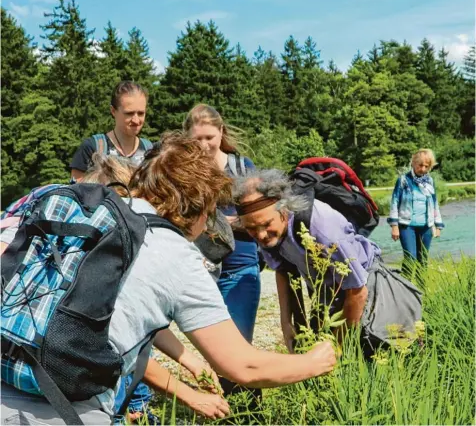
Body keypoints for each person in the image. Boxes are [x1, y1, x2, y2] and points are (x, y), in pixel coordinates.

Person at [1, 135, 337, 425]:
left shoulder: (95, 214)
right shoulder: (176, 255)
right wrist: (315, 361)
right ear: (200, 207)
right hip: (65, 409)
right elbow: (243, 365)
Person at [0, 154, 227, 424]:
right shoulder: (95, 246)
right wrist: (189, 395)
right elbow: (94, 336)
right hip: (53, 393)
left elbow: (136, 315)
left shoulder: (54, 218)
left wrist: (189, 359)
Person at [232, 169, 422, 355]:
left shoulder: (321, 227)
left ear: (283, 211)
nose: (261, 235)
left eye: (266, 225)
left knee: (378, 344)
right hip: (325, 290)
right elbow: (284, 272)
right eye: (251, 229)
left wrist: (338, 348)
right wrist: (288, 325)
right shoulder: (265, 230)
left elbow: (357, 291)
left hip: (365, 283)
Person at [183, 104, 261, 396]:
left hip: (241, 266)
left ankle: (249, 411)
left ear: (221, 133)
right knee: (215, 350)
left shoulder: (242, 167)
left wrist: (233, 222)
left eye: (209, 138)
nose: (203, 145)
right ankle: (225, 407)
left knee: (239, 346)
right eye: (197, 139)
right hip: (201, 270)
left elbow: (262, 213)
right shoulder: (185, 172)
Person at [70, 81, 152, 182]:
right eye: (129, 113)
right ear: (113, 111)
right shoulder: (92, 148)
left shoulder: (150, 152)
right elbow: (76, 193)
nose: (136, 120)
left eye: (141, 113)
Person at [388, 148, 444, 278]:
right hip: (407, 226)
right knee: (410, 258)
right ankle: (405, 288)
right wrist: (394, 226)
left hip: (426, 226)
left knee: (423, 260)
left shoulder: (430, 181)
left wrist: (438, 225)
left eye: (427, 166)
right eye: (420, 165)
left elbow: (434, 203)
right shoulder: (403, 180)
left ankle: (420, 292)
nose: (423, 169)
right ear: (413, 163)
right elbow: (395, 202)